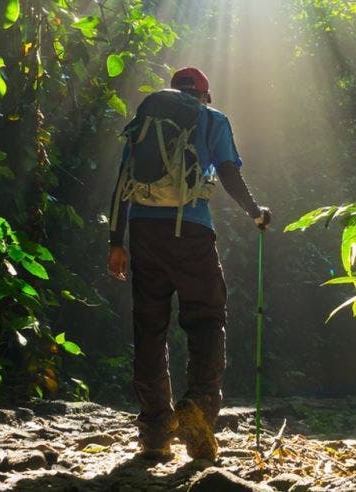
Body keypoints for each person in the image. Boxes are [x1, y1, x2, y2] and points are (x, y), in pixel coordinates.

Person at [106, 66, 271, 461]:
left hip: (144, 233)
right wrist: (255, 212)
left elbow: (121, 184)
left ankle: (155, 433)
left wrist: (116, 242)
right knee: (206, 319)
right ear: (204, 95)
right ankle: (198, 408)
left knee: (149, 329)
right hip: (191, 232)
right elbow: (228, 172)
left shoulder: (144, 123)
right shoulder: (212, 120)